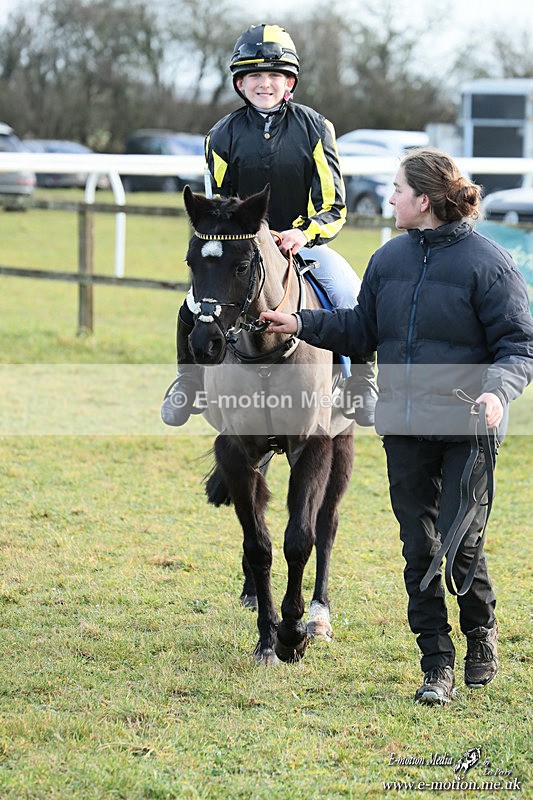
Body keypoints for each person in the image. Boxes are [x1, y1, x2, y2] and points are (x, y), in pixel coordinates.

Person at [259, 147, 533, 705]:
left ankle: (479, 630)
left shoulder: (489, 263)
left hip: (468, 426)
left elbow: (519, 345)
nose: (388, 197)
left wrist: (497, 392)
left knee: (460, 547)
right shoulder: (388, 261)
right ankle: (436, 664)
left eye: (396, 189)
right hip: (405, 426)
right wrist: (299, 321)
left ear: (423, 200)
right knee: (418, 547)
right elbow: (360, 330)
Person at [161, 23, 376, 428]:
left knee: (349, 293)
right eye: (255, 75)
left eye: (274, 75)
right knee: (193, 305)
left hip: (303, 242)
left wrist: (302, 233)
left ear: (289, 81)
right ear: (240, 83)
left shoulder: (316, 127)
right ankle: (187, 382)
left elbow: (334, 204)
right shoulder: (220, 135)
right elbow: (217, 209)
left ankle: (361, 384)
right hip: (243, 247)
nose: (265, 83)